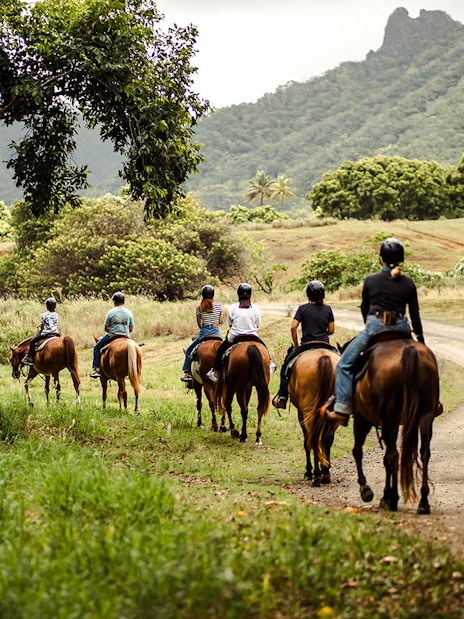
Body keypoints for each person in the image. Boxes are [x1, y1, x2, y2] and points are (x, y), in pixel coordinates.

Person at [322, 237, 425, 426]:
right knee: (423, 363)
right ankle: (430, 403)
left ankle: (343, 409)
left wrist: (370, 327)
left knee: (344, 364)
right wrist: (421, 340)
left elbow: (364, 309)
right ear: (401, 259)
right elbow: (415, 316)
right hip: (402, 327)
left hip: (376, 327)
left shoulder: (371, 280)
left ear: (381, 259)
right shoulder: (408, 283)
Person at [272, 280, 335, 409]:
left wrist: (296, 345)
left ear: (308, 294)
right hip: (325, 344)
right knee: (343, 366)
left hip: (306, 345)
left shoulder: (302, 308)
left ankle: (283, 397)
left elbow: (293, 327)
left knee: (285, 368)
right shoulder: (328, 309)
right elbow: (332, 330)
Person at [206, 282, 265, 383]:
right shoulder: (255, 307)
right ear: (250, 294)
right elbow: (257, 324)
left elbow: (230, 324)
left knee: (220, 350)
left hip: (235, 336)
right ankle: (270, 364)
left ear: (238, 294)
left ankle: (215, 371)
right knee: (264, 348)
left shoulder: (233, 307)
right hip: (252, 336)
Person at [181, 285, 223, 384]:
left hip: (204, 333)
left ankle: (187, 373)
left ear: (202, 295)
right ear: (213, 294)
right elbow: (220, 321)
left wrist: (204, 328)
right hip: (216, 332)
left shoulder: (199, 308)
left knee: (188, 351)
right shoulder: (219, 306)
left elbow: (199, 323)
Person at [90, 291, 134, 378]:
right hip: (126, 336)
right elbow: (131, 329)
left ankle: (97, 369)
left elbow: (106, 328)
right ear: (123, 301)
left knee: (96, 348)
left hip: (112, 336)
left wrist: (113, 329)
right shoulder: (129, 312)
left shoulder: (111, 312)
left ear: (114, 301)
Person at [23, 297, 60, 365]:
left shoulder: (44, 314)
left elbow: (42, 326)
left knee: (32, 341)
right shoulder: (56, 315)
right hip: (56, 333)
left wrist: (41, 327)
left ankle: (30, 358)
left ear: (47, 306)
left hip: (46, 333)